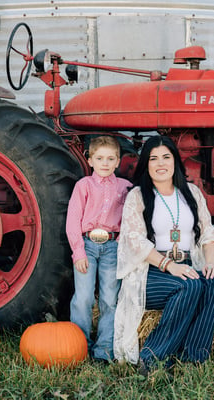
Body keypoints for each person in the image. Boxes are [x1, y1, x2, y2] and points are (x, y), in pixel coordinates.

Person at [113, 135, 214, 373]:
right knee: (189, 286)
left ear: (175, 161)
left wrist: (210, 262)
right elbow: (134, 240)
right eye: (153, 158)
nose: (160, 163)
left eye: (166, 157)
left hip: (187, 263)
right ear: (146, 164)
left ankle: (193, 357)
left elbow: (207, 233)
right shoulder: (138, 196)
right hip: (151, 271)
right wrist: (169, 265)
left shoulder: (192, 193)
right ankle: (153, 357)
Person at [66, 135, 132, 362]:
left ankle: (104, 350)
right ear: (90, 160)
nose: (105, 163)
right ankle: (80, 345)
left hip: (113, 247)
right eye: (100, 158)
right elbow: (73, 221)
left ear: (118, 161)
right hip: (87, 246)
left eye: (110, 158)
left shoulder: (125, 188)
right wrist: (78, 252)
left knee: (110, 298)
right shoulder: (83, 186)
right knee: (83, 298)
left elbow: (131, 219)